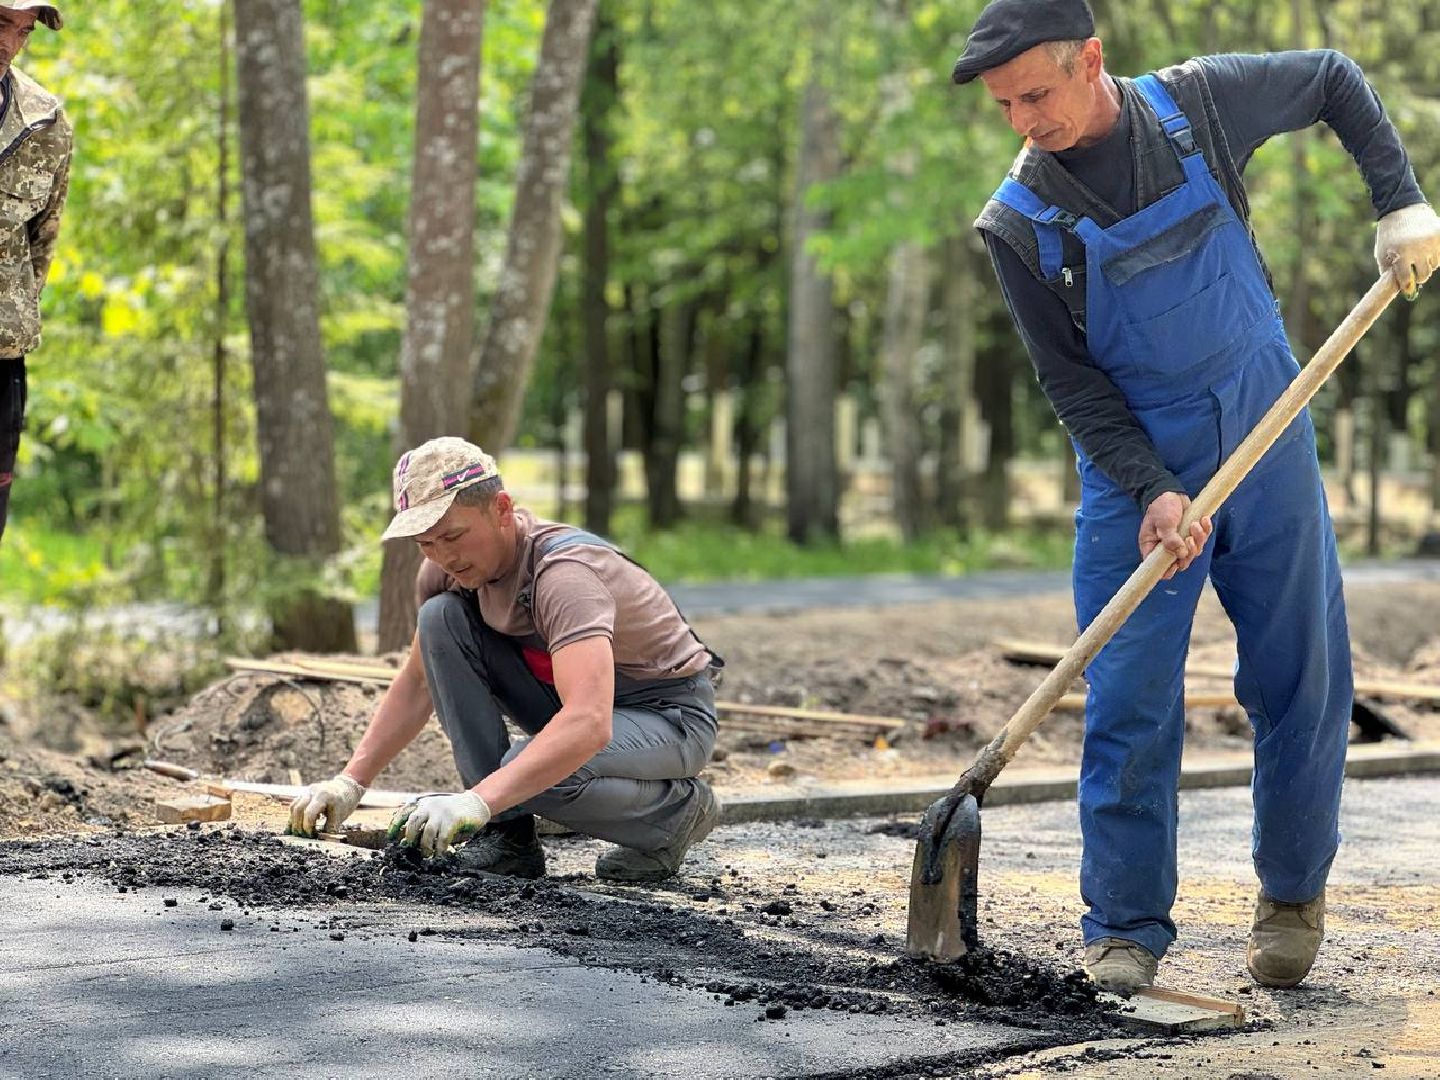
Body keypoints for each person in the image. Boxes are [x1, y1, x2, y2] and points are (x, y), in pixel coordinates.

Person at [952, 0, 1440, 993]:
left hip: (1268, 430)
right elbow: (1075, 388)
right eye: (1004, 106)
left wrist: (1401, 203)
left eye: (1035, 94)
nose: (1023, 123)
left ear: (1092, 59)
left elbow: (1335, 78)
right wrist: (1154, 491)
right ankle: (1126, 926)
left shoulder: (1201, 106)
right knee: (1127, 696)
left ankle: (1292, 896)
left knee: (1302, 678)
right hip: (1135, 470)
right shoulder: (1019, 223)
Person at [289, 436, 722, 883]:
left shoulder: (565, 576)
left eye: (454, 535)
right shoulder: (445, 575)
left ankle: (678, 816)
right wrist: (350, 783)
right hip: (569, 701)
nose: (444, 556)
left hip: (667, 716)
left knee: (537, 770)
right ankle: (505, 839)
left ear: (500, 509)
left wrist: (475, 800)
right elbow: (419, 682)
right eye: (426, 543)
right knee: (439, 619)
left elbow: (588, 723)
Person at [0, 0, 69, 544]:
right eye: (2, 22)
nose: (12, 42)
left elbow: (41, 243)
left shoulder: (45, 120)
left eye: (23, 31)